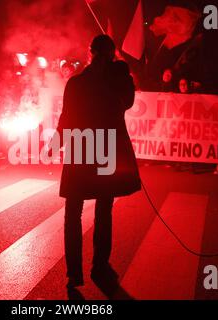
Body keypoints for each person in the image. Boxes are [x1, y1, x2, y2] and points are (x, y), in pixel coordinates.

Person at [54, 35, 141, 288]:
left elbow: (66, 117)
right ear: (112, 54)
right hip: (106, 148)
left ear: (89, 52)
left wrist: (54, 144)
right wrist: (122, 71)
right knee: (104, 210)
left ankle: (74, 273)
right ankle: (100, 266)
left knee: (73, 212)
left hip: (81, 147)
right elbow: (128, 102)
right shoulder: (116, 82)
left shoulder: (77, 82)